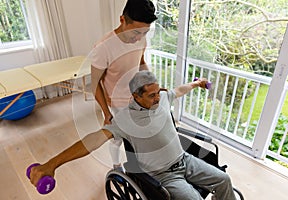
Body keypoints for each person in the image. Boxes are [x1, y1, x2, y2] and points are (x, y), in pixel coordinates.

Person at [29, 71, 237, 200]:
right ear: (135, 96)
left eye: (157, 92)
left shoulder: (162, 97)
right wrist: (51, 164)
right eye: (151, 95)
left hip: (186, 160)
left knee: (224, 180)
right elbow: (91, 141)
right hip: (164, 175)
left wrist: (197, 83)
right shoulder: (124, 120)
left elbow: (177, 91)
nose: (157, 97)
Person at [89, 0, 157, 169]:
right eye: (136, 32)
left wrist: (152, 84)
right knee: (118, 138)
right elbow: (95, 84)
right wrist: (106, 113)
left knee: (140, 133)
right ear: (122, 20)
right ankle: (116, 165)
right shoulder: (103, 47)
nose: (139, 38)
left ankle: (142, 164)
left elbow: (140, 62)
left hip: (138, 98)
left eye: (144, 32)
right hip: (117, 103)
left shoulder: (141, 39)